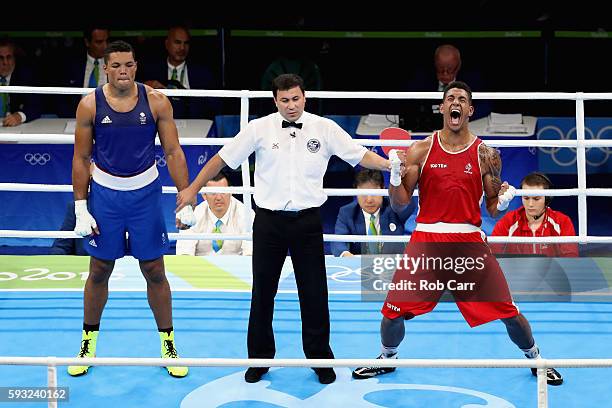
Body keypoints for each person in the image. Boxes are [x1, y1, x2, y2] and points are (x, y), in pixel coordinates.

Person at [176, 73, 402, 385]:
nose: (291, 105)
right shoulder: (259, 128)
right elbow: (221, 159)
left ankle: (321, 359)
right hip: (268, 222)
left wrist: (390, 165)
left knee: (314, 293)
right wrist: (191, 188)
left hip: (308, 221)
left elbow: (358, 154)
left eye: (296, 99)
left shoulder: (323, 128)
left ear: (304, 97)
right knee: (262, 293)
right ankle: (258, 359)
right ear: (275, 101)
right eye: (284, 100)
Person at [352, 81, 563, 386]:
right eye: (450, 98)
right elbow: (399, 202)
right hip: (426, 242)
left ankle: (537, 359)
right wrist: (395, 177)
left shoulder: (486, 154)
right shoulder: (420, 150)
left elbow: (491, 208)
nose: (456, 103)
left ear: (469, 110)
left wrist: (501, 201)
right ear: (443, 107)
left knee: (507, 310)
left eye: (462, 99)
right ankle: (387, 358)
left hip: (469, 244)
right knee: (392, 311)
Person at [68, 40, 196, 378]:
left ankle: (168, 344)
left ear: (135, 66)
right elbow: (81, 158)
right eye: (116, 66)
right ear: (106, 68)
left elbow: (173, 151)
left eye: (128, 65)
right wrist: (81, 206)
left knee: (155, 269)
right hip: (107, 196)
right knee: (99, 269)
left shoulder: (156, 102)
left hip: (145, 196)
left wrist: (186, 197)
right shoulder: (89, 106)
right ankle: (87, 342)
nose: (123, 71)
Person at [491, 172, 579, 257]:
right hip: (514, 272)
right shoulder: (508, 221)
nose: (530, 204)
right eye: (526, 198)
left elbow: (571, 259)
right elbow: (491, 255)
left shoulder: (562, 222)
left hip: (553, 272)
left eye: (536, 199)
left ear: (547, 199)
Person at [140, 25, 219, 119]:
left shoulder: (202, 73)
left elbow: (215, 105)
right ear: (167, 44)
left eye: (186, 43)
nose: (182, 48)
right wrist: (145, 86)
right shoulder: (151, 70)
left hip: (194, 124)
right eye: (177, 42)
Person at [331, 169, 415, 257]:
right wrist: (346, 255)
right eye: (363, 193)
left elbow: (408, 202)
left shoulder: (394, 207)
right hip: (359, 266)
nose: (369, 200)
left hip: (391, 264)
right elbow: (338, 241)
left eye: (374, 193)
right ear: (355, 191)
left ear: (383, 189)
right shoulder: (347, 212)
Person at [176, 170, 253, 256]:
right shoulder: (194, 214)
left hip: (237, 267)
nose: (219, 198)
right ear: (204, 195)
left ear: (231, 192)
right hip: (200, 267)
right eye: (213, 193)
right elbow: (184, 254)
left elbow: (250, 255)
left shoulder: (246, 213)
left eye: (223, 192)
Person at [56, 26, 110, 117]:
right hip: (76, 120)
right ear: (87, 42)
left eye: (107, 41)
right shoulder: (71, 65)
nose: (105, 46)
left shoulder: (117, 65)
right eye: (99, 42)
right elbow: (61, 100)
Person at [0, 39, 41, 126]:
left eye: (9, 57)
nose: (5, 62)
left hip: (15, 129)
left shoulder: (25, 76)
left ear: (14, 58)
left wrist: (20, 116)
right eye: (0, 58)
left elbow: (36, 106)